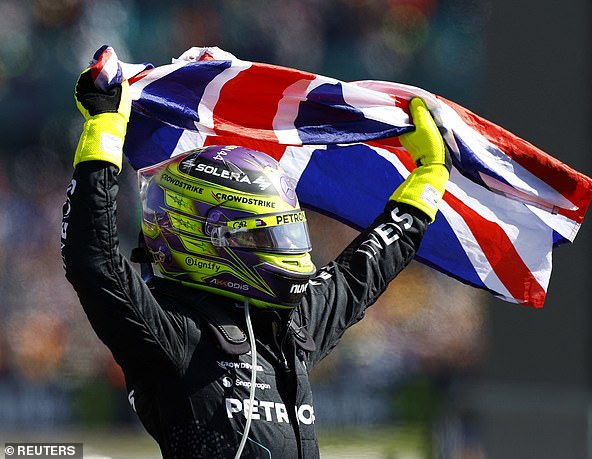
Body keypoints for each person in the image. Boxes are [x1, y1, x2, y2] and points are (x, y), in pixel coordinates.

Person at [61, 65, 451, 458]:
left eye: (287, 231)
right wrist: (104, 130)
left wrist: (428, 179)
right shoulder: (172, 334)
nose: (286, 248)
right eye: (261, 233)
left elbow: (360, 273)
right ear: (208, 235)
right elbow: (93, 261)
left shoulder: (289, 324)